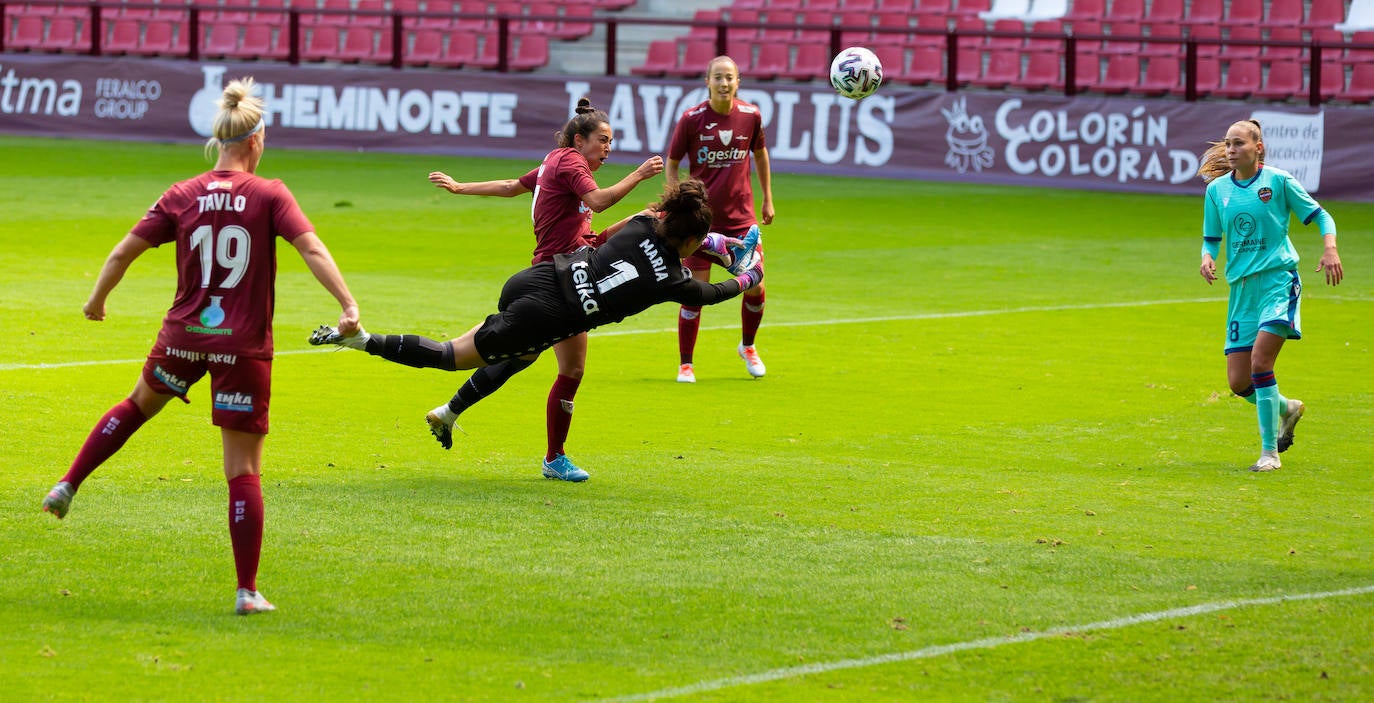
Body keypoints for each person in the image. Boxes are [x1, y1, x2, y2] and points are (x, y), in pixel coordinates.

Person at [40, 77, 362, 615]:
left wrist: (97, 300)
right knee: (242, 470)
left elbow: (122, 252)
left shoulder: (182, 193)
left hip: (184, 337)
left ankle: (68, 484)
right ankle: (245, 591)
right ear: (256, 141)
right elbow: (312, 248)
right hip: (241, 346)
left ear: (219, 142)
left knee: (137, 405)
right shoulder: (270, 194)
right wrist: (348, 305)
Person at [309, 180, 763, 479]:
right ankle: (361, 340)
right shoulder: (673, 279)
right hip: (548, 316)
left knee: (524, 358)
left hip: (539, 278)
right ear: (687, 242)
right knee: (450, 356)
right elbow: (711, 295)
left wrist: (719, 246)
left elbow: (620, 234)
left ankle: (449, 414)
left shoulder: (645, 221)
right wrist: (748, 276)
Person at [422, 98, 664, 483]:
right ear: (579, 140)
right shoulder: (570, 163)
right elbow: (598, 203)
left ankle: (449, 412)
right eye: (603, 139)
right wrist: (639, 174)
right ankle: (554, 458)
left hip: (560, 270)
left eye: (611, 141)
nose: (608, 148)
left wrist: (460, 187)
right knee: (569, 367)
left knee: (522, 355)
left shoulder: (556, 161)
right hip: (561, 281)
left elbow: (512, 187)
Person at [1197, 119, 1343, 472]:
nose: (1230, 151)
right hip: (1242, 290)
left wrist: (1330, 249)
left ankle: (1269, 454)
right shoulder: (1217, 190)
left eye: (1238, 144)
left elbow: (1322, 216)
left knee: (1261, 364)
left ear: (1257, 147)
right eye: (1228, 145)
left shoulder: (1277, 181)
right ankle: (1286, 408)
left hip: (1279, 281)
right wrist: (1206, 256)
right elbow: (1211, 237)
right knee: (1238, 381)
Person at [666, 54, 775, 383]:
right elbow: (672, 162)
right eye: (718, 77)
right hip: (702, 222)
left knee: (756, 289)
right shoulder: (691, 119)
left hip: (742, 220)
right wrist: (676, 205)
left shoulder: (750, 115)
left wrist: (768, 197)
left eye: (730, 77)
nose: (724, 83)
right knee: (695, 291)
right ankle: (686, 363)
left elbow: (760, 155)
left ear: (738, 82)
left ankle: (748, 346)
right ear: (707, 82)